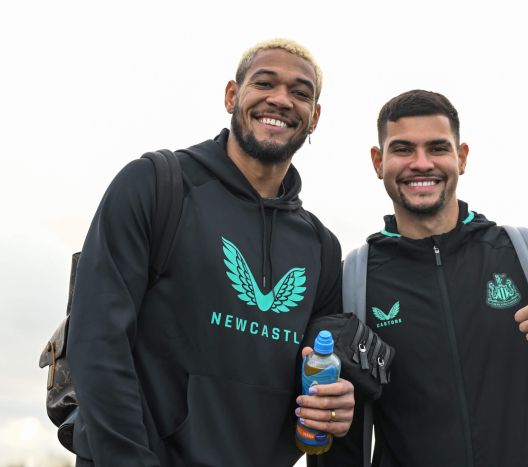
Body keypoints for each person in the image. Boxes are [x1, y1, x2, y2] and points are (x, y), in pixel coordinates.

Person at [319, 89, 528, 466]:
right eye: (403, 149)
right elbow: (333, 434)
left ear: (461, 157)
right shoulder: (354, 281)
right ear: (378, 162)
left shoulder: (525, 255)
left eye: (438, 148)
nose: (421, 163)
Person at [67, 38, 354, 467]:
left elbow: (314, 376)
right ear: (232, 96)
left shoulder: (321, 247)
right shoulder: (155, 185)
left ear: (314, 118)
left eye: (300, 92)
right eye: (264, 83)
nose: (281, 99)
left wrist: (335, 404)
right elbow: (96, 342)